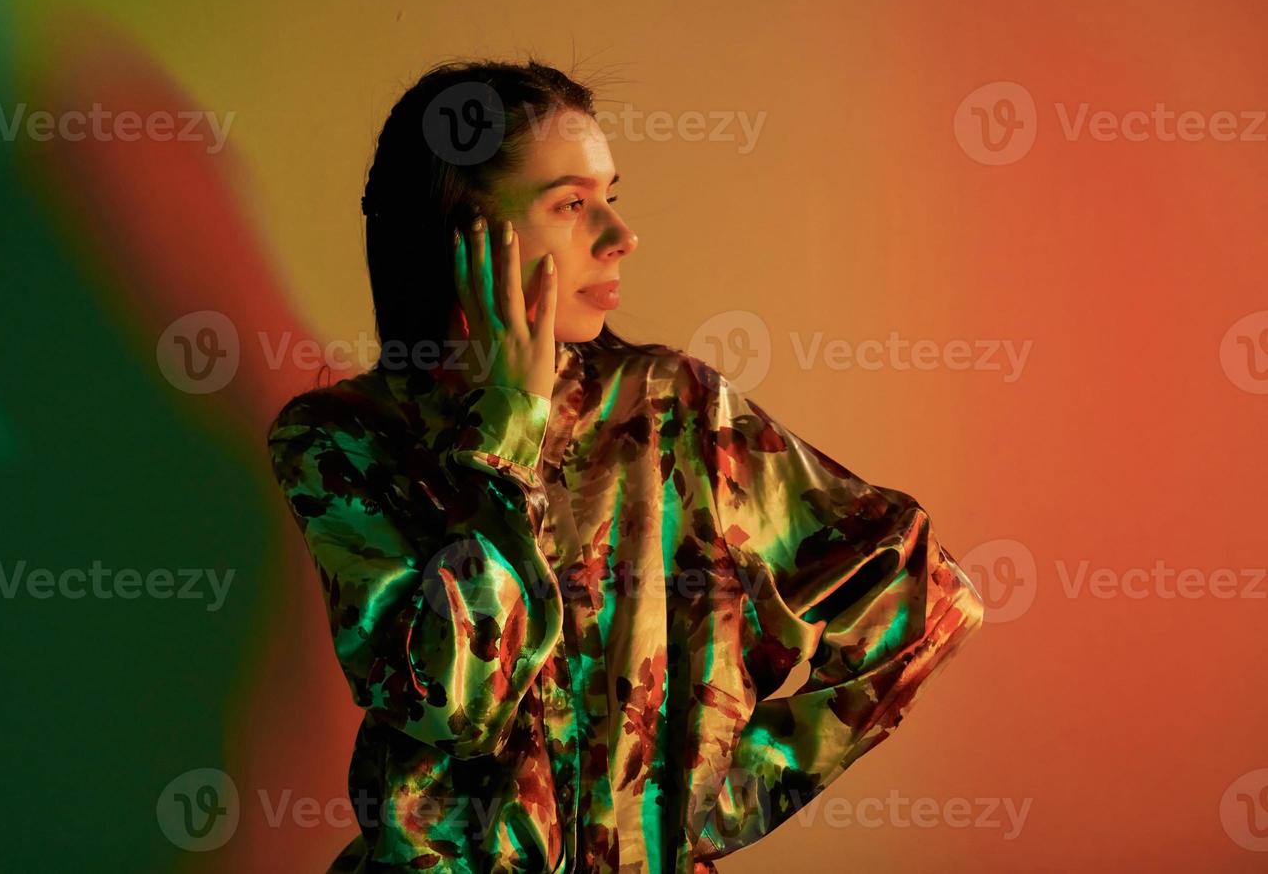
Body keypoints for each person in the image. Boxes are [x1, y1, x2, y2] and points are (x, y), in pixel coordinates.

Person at [266, 59, 985, 873]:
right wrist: (508, 430)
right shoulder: (340, 442)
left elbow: (922, 599)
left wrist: (723, 800)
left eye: (612, 196)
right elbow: (452, 708)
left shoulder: (672, 411)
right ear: (461, 231)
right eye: (572, 204)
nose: (619, 236)